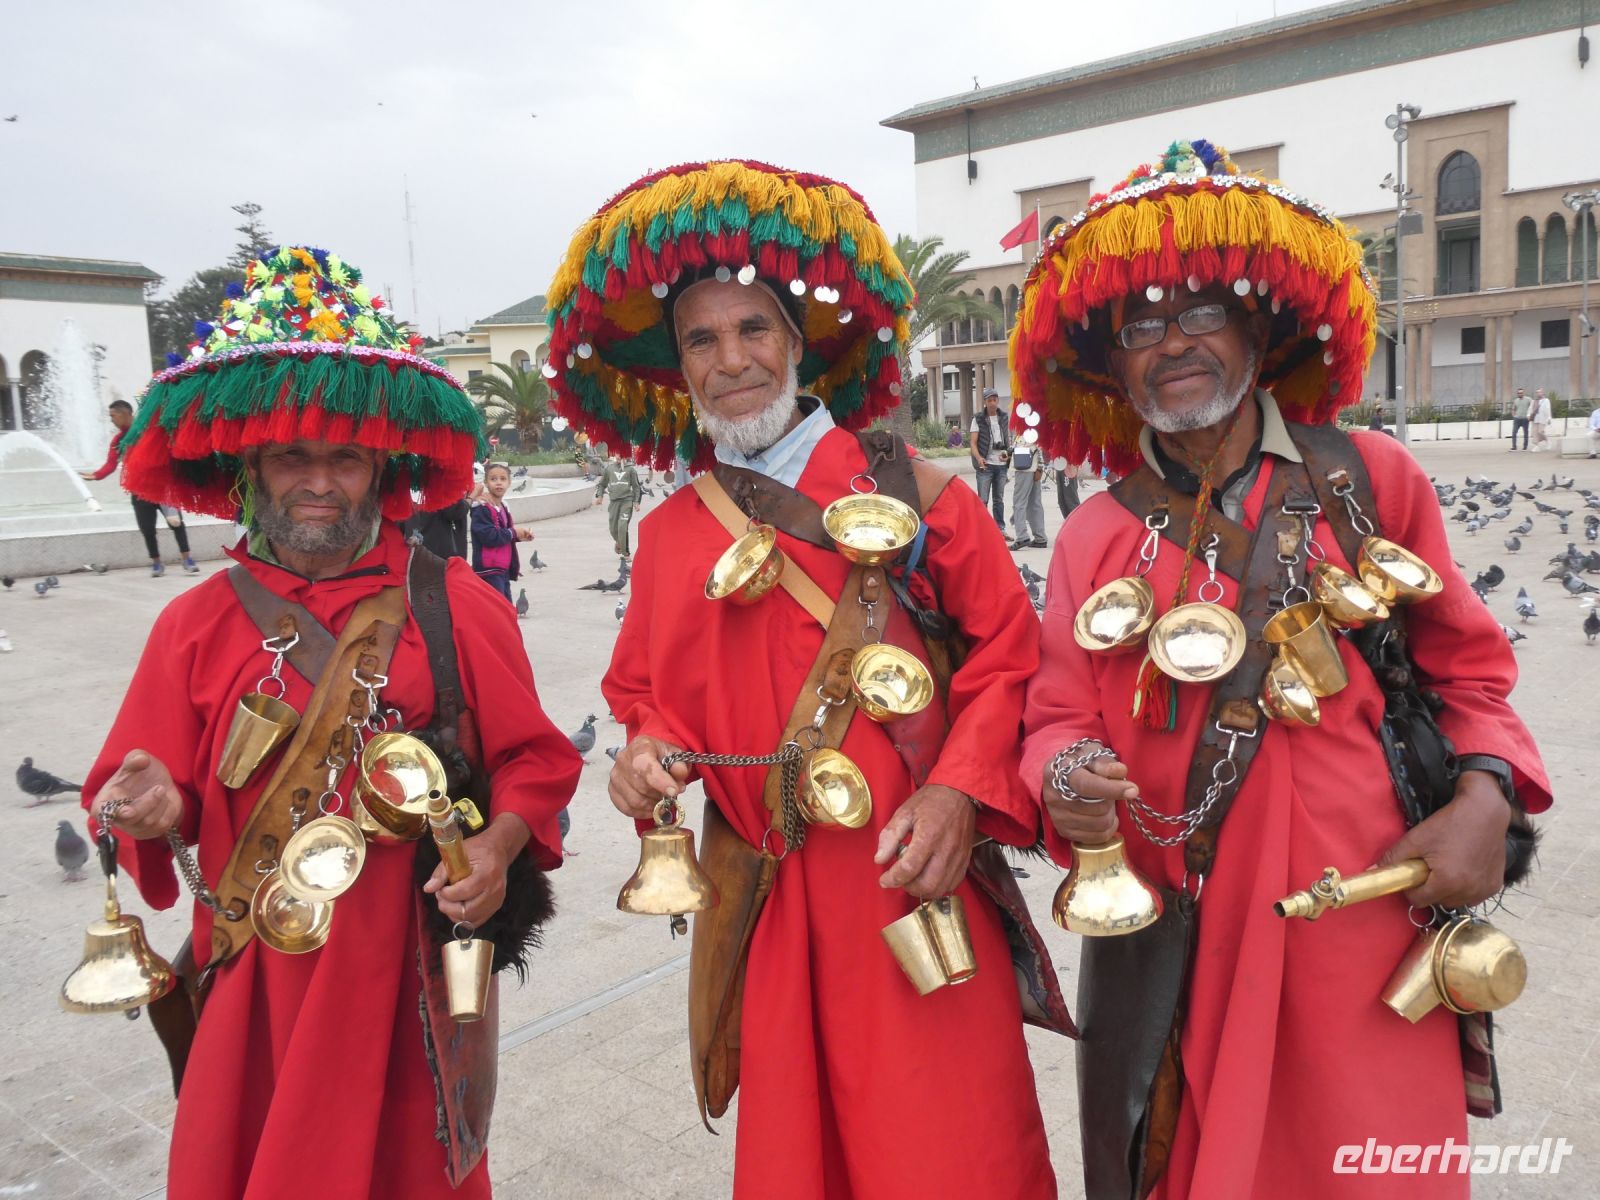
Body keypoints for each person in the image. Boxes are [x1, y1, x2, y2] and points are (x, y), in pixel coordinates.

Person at [1009, 140, 1551, 1200]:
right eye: (1141, 326)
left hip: (1360, 926)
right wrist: (1064, 780)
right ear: (1112, 367)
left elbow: (1470, 675)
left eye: (1200, 313)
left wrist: (1487, 798)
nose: (1172, 345)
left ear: (1256, 326)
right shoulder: (1090, 538)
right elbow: (1054, 718)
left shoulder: (1368, 480)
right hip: (1171, 940)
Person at [547, 161, 1065, 1199]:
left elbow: (1013, 661)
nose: (731, 360)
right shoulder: (663, 537)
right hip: (765, 898)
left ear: (798, 343)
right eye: (702, 338)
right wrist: (643, 757)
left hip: (908, 881)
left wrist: (959, 793)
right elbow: (642, 695)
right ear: (677, 366)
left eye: (754, 330)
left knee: (949, 1158)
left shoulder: (918, 497)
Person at [87, 246, 581, 1199]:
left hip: (408, 990)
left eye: (344, 455)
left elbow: (536, 761)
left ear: (382, 469)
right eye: (291, 455)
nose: (318, 481)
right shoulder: (190, 627)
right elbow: (136, 787)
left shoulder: (456, 605)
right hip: (257, 990)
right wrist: (144, 804)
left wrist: (501, 843)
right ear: (249, 466)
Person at [83, 399, 199, 576]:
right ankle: (157, 563)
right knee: (147, 529)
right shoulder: (119, 440)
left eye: (113, 416)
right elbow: (111, 464)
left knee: (176, 523)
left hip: (162, 487)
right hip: (139, 491)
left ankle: (187, 559)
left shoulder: (148, 430)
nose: (111, 420)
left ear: (125, 414)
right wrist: (96, 475)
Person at [471, 462, 531, 601]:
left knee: (506, 611)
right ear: (486, 482)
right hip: (489, 570)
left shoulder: (503, 506)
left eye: (503, 479)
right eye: (493, 479)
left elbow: (503, 534)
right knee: (498, 613)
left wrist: (520, 536)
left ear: (509, 483)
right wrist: (513, 532)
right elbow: (490, 537)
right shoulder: (482, 508)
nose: (498, 483)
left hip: (502, 568)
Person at [968, 387, 1011, 528]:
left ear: (998, 400)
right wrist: (979, 458)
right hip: (985, 465)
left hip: (1001, 466)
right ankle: (983, 530)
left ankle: (1000, 529)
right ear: (985, 402)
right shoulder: (978, 418)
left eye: (994, 400)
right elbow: (973, 443)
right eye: (989, 400)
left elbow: (1007, 440)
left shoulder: (1004, 417)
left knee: (999, 500)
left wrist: (1007, 455)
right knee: (983, 500)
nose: (992, 403)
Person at [593, 450, 643, 558]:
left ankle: (626, 553)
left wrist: (636, 502)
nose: (619, 455)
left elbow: (636, 487)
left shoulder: (631, 470)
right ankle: (619, 542)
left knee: (622, 527)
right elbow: (602, 484)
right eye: (617, 453)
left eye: (622, 453)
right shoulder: (609, 469)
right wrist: (600, 496)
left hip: (626, 501)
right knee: (613, 529)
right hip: (614, 502)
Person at [1008, 433, 1048, 550]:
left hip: (1025, 469)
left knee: (1019, 503)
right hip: (1032, 468)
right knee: (1034, 504)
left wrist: (1040, 467)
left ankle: (1022, 537)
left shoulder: (1029, 428)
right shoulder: (1029, 429)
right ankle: (1040, 538)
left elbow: (1040, 448)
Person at [403, 496, 470, 559]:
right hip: (441, 550)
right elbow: (454, 511)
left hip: (415, 547)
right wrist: (470, 499)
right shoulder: (441, 485)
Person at [1052, 456, 1081, 521]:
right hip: (1059, 462)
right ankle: (1069, 521)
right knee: (1061, 499)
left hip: (1069, 463)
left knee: (1070, 498)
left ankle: (1077, 520)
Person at [1510, 386, 1532, 450]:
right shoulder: (1515, 400)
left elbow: (1533, 405)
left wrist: (1530, 415)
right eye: (1518, 393)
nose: (1520, 394)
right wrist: (1513, 415)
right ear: (1517, 394)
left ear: (1523, 393)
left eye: (1521, 393)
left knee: (1525, 433)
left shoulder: (1528, 399)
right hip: (1517, 419)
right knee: (1514, 432)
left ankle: (1525, 446)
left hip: (1525, 419)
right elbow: (1513, 409)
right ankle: (1514, 446)